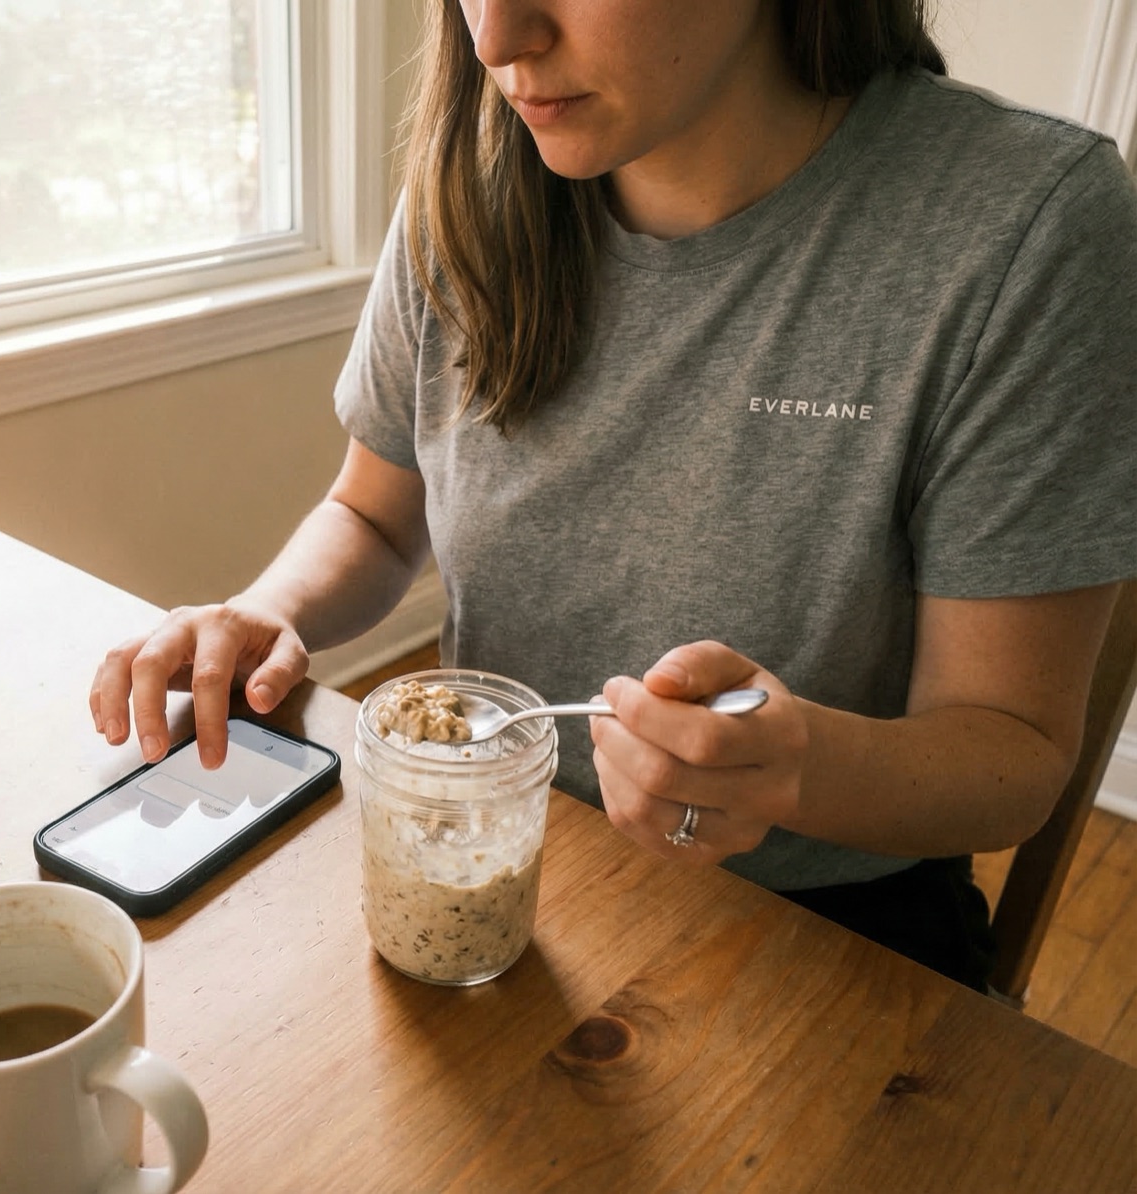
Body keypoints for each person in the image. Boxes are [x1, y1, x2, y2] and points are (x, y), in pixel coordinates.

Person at [90, 0, 1137, 992]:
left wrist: (795, 769)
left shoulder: (1028, 229)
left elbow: (1012, 749)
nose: (499, 37)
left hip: (828, 941)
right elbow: (370, 516)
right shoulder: (466, 186)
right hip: (494, 871)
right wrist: (271, 613)